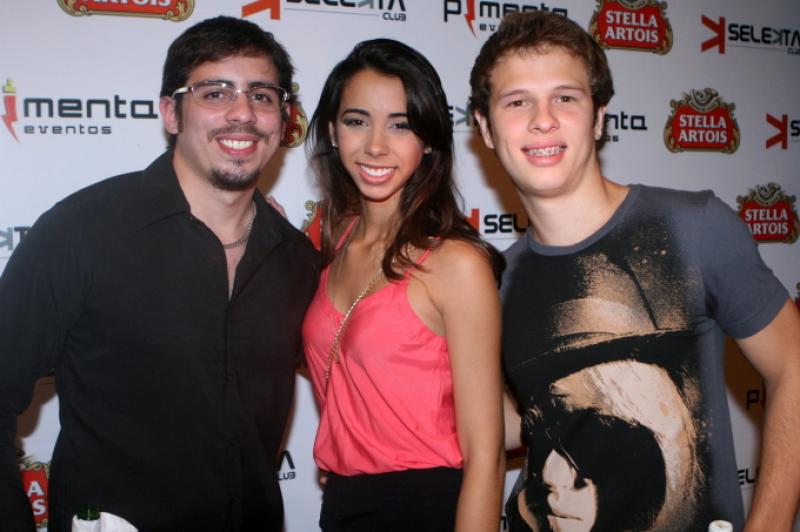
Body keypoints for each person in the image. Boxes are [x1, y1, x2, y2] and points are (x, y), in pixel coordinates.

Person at [468, 10, 800, 532]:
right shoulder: (493, 281)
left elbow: (793, 365)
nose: (542, 119)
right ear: (485, 128)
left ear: (599, 117)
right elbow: (516, 424)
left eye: (565, 97)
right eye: (517, 102)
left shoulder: (693, 228)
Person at [0, 16, 318, 532]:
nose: (242, 113)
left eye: (261, 95)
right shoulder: (81, 232)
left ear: (283, 119)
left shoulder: (296, 260)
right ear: (171, 112)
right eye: (215, 93)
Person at [301, 39, 505, 531]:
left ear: (429, 139)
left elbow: (486, 454)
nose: (376, 145)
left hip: (427, 507)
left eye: (401, 124)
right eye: (357, 121)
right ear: (332, 131)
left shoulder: (454, 264)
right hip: (344, 504)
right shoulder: (335, 243)